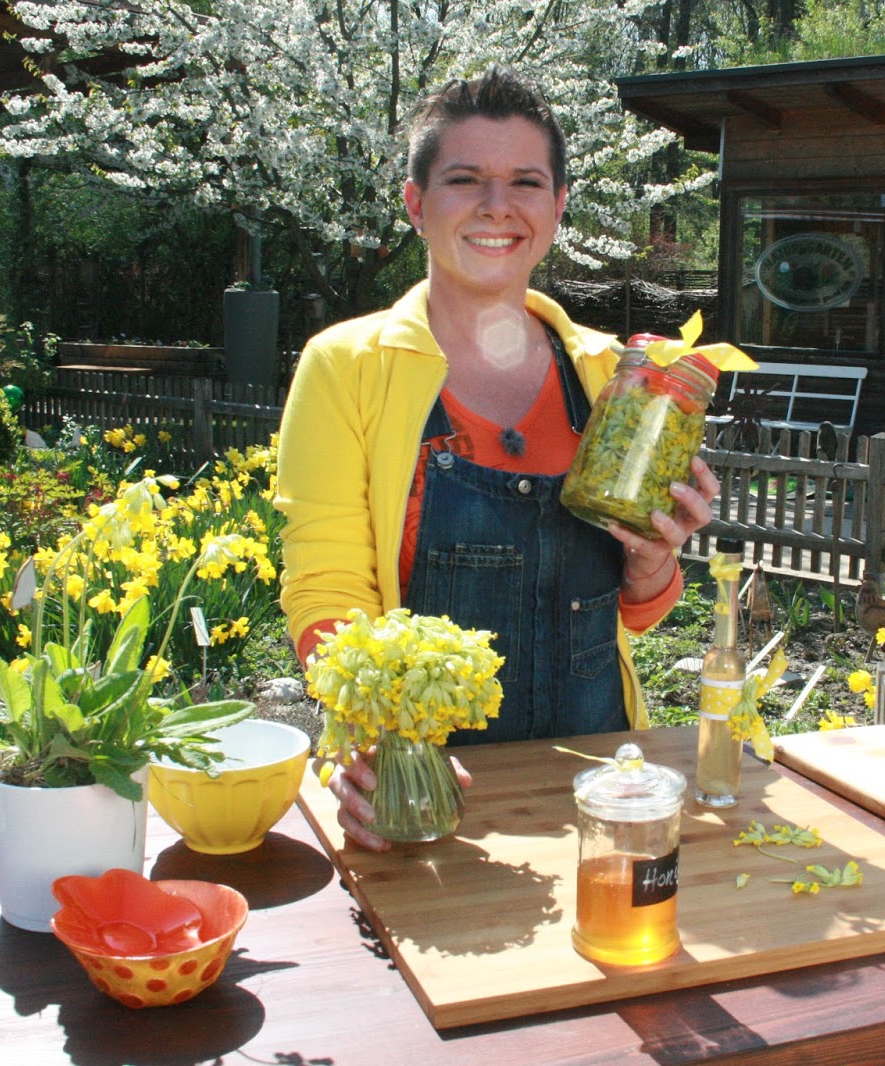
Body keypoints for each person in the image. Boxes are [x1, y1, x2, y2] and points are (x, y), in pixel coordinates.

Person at [272, 66, 719, 849]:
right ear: (416, 204)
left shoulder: (617, 378)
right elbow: (326, 589)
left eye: (525, 182)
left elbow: (633, 614)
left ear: (558, 206)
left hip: (602, 791)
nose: (496, 205)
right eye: (464, 179)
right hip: (431, 802)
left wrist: (653, 563)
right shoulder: (347, 366)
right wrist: (375, 747)